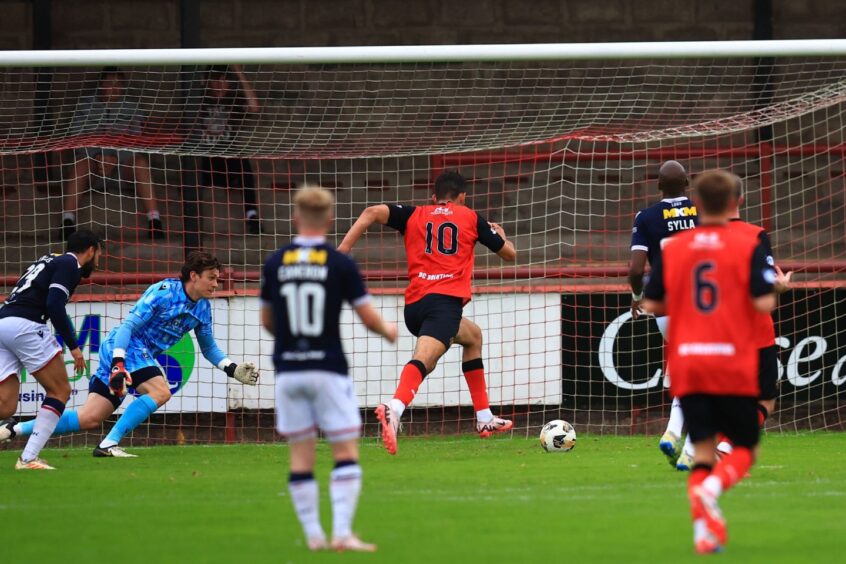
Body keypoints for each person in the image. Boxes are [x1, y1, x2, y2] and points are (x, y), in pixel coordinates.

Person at [0, 252, 259, 458]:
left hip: (130, 353)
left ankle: (13, 429)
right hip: (125, 346)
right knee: (161, 391)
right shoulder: (164, 293)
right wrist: (118, 362)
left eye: (217, 278)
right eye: (212, 278)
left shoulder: (202, 309)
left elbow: (209, 348)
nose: (216, 283)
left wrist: (232, 368)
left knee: (90, 417)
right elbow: (128, 327)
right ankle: (109, 445)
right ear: (194, 275)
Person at [642, 169, 777, 553]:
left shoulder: (678, 246)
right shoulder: (746, 242)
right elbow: (763, 301)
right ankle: (713, 489)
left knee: (701, 451)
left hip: (687, 361)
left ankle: (703, 532)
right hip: (729, 359)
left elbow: (653, 302)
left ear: (696, 203)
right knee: (744, 447)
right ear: (736, 202)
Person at [337, 170, 517, 455]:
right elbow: (509, 254)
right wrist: (501, 235)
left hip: (416, 306)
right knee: (425, 360)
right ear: (463, 197)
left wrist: (342, 251)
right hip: (444, 304)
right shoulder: (470, 217)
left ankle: (484, 418)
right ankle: (393, 409)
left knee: (472, 337)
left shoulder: (414, 214)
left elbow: (371, 211)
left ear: (434, 196)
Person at [261, 185, 397, 552]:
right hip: (328, 369)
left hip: (288, 370)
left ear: (295, 218)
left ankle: (313, 535)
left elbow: (267, 320)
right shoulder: (339, 264)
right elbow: (367, 317)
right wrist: (388, 330)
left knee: (301, 454)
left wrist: (290, 338)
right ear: (330, 220)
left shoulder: (275, 263)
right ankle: (341, 533)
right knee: (345, 451)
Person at [0, 229, 102, 469]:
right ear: (91, 250)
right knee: (60, 391)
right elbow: (54, 304)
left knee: (6, 405)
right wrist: (74, 347)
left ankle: (29, 458)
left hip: (3, 323)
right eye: (98, 255)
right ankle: (28, 458)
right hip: (25, 325)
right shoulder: (70, 264)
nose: (97, 261)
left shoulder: (50, 258)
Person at [628, 160, 699, 470]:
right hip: (703, 304)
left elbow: (634, 269)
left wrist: (636, 297)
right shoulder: (703, 210)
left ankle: (673, 433)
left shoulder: (646, 217)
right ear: (688, 183)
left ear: (658, 186)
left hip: (666, 310)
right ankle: (690, 446)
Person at [716, 174, 791, 455]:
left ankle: (723, 443)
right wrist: (780, 286)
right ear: (741, 200)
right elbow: (765, 281)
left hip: (716, 330)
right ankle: (729, 443)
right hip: (756, 331)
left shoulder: (699, 237)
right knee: (765, 399)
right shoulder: (755, 235)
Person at [61, 67, 164, 241]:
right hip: (94, 167)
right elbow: (76, 138)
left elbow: (138, 141)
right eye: (110, 84)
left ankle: (155, 221)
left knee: (140, 163)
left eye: (119, 85)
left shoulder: (132, 108)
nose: (114, 88)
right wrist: (97, 157)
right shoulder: (85, 106)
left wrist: (116, 158)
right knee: (80, 166)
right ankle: (67, 222)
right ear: (101, 85)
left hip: (122, 168)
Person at [181, 65, 263, 258]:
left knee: (244, 165)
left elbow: (254, 107)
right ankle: (192, 222)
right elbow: (185, 102)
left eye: (224, 80)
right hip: (205, 161)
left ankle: (252, 215)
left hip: (229, 160)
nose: (219, 84)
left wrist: (239, 72)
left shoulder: (233, 100)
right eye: (215, 80)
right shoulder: (200, 99)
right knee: (191, 164)